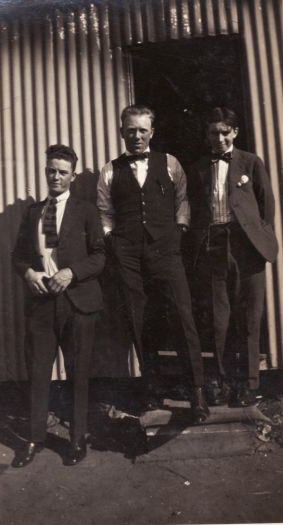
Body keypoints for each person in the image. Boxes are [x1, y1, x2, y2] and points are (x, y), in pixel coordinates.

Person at [97, 104, 209, 423]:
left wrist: (179, 229)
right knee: (138, 318)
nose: (136, 136)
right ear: (121, 132)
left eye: (142, 130)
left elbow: (182, 200)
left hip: (166, 249)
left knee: (183, 315)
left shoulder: (170, 163)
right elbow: (104, 211)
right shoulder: (109, 170)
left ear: (152, 133)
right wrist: (112, 240)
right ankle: (152, 388)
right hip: (127, 253)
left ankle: (197, 391)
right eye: (130, 130)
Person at [11, 144, 105, 467]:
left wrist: (72, 272)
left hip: (77, 303)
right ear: (45, 171)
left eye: (62, 172)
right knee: (38, 373)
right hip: (41, 304)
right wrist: (28, 273)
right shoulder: (33, 212)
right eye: (51, 170)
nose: (56, 176)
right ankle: (35, 439)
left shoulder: (86, 211)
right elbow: (18, 256)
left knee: (78, 374)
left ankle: (77, 439)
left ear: (73, 176)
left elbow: (100, 256)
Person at [187, 107, 278, 406]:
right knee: (219, 318)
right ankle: (224, 381)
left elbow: (266, 206)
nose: (220, 138)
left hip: (247, 245)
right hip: (214, 243)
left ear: (235, 133)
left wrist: (256, 236)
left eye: (225, 132)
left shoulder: (251, 162)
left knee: (250, 317)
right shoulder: (199, 167)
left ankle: (249, 383)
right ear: (206, 135)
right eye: (214, 132)